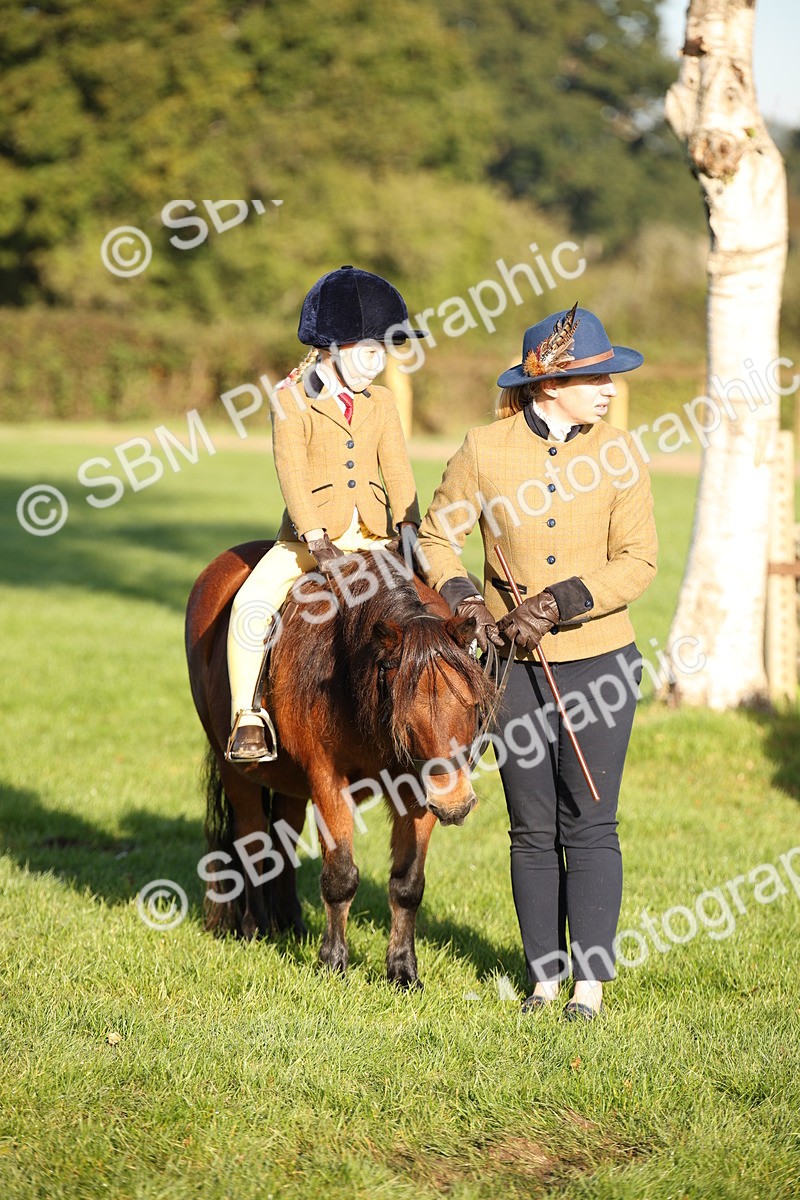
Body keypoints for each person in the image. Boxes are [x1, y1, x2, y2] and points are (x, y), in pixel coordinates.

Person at [416, 304, 657, 1019]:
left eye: (609, 377)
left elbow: (639, 560)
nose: (610, 387)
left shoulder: (622, 451)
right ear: (549, 385)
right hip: (510, 672)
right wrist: (468, 601)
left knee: (591, 817)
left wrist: (559, 601)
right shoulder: (484, 449)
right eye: (596, 377)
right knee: (531, 824)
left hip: (601, 663)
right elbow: (436, 536)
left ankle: (589, 987)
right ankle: (543, 981)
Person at [226, 265, 425, 762]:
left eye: (384, 352)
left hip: (375, 536)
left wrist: (408, 528)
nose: (377, 363)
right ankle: (246, 716)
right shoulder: (291, 399)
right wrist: (317, 540)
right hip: (308, 544)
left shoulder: (380, 402)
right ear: (332, 348)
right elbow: (290, 471)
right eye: (368, 351)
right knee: (251, 604)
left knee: (434, 599)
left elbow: (398, 469)